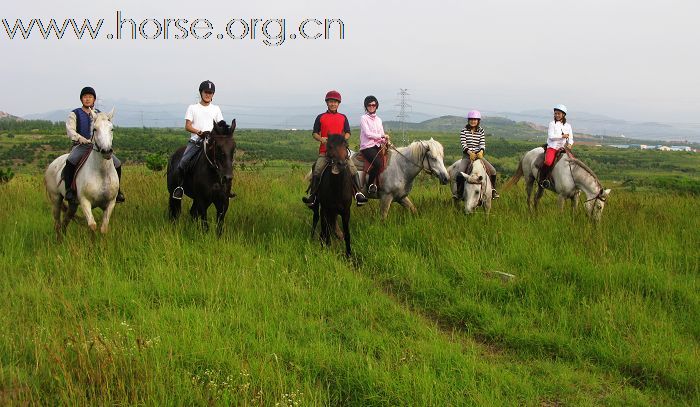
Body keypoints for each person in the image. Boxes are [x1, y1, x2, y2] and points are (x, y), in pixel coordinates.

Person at [302, 90, 368, 207]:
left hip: (341, 153)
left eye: (335, 102)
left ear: (338, 104)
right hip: (325, 152)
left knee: (352, 168)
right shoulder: (320, 117)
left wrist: (342, 139)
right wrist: (321, 139)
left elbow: (348, 133)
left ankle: (358, 193)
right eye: (331, 102)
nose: (333, 104)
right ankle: (313, 196)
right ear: (327, 103)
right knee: (317, 169)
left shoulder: (343, 117)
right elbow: (314, 133)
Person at [172, 80, 233, 199]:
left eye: (210, 92)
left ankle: (227, 189)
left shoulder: (216, 109)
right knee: (183, 162)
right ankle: (179, 188)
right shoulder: (193, 108)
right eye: (206, 92)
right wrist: (199, 132)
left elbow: (220, 124)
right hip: (196, 142)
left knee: (226, 161)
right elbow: (187, 126)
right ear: (201, 92)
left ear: (213, 95)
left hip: (212, 142)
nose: (208, 94)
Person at [63, 86, 125, 204]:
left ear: (94, 99)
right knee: (71, 160)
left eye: (90, 97)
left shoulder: (100, 114)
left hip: (97, 147)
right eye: (85, 97)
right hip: (81, 146)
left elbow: (106, 128)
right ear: (81, 99)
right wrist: (79, 138)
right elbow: (70, 130)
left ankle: (118, 191)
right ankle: (69, 190)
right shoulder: (74, 113)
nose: (87, 99)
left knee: (117, 163)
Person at [451, 110, 499, 200]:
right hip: (467, 156)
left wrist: (481, 152)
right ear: (468, 120)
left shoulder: (481, 131)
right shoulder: (464, 131)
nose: (473, 121)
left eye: (475, 120)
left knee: (493, 171)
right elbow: (463, 144)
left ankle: (493, 190)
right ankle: (459, 193)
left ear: (478, 121)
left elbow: (482, 143)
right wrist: (469, 153)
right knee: (460, 173)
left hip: (478, 156)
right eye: (471, 119)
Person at [359, 95, 390, 194]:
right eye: (369, 105)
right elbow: (368, 134)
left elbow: (381, 137)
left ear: (376, 106)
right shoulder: (364, 118)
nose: (371, 106)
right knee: (378, 164)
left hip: (377, 146)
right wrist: (382, 135)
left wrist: (385, 141)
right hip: (367, 147)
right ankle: (370, 185)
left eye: (374, 104)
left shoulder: (379, 120)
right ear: (366, 106)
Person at [539, 104, 574, 188]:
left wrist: (570, 144)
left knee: (573, 161)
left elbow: (571, 138)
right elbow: (551, 136)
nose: (557, 115)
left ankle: (572, 181)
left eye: (559, 113)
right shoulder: (552, 124)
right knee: (548, 162)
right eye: (555, 113)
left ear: (563, 115)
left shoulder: (568, 126)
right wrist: (562, 136)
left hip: (562, 148)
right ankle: (542, 179)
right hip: (552, 147)